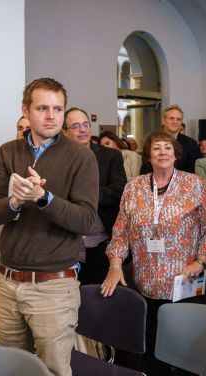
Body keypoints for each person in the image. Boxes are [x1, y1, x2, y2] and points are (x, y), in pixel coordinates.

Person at [0, 78, 98, 376]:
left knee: (53, 371)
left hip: (53, 285)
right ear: (26, 110)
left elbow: (85, 219)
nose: (51, 116)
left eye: (58, 108)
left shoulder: (81, 156)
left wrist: (44, 198)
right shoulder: (8, 152)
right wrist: (16, 201)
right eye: (43, 108)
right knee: (10, 368)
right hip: (7, 281)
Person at [101, 130, 206, 375]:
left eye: (168, 147)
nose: (163, 152)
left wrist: (201, 260)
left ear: (176, 153)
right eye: (156, 148)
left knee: (187, 351)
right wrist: (115, 265)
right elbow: (121, 230)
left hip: (185, 282)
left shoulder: (195, 185)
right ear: (148, 156)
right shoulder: (133, 188)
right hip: (147, 284)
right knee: (154, 350)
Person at [64, 109, 126, 285]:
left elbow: (118, 191)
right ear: (65, 132)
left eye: (85, 124)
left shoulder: (110, 156)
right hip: (68, 242)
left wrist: (82, 193)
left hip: (101, 242)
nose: (82, 129)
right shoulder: (59, 160)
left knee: (100, 298)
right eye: (75, 126)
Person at [140, 105, 201, 174]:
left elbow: (192, 171)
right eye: (171, 118)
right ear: (163, 121)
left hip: (182, 183)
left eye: (178, 119)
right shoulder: (152, 141)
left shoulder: (191, 144)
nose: (175, 122)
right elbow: (145, 169)